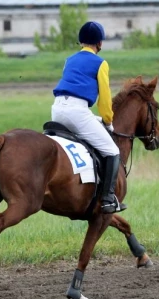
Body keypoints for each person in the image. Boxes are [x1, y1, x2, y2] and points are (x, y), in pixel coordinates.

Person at [51, 21, 126, 214]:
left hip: (57, 109)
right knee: (111, 150)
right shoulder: (101, 63)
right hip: (77, 112)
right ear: (99, 43)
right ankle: (108, 199)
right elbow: (105, 99)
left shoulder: (69, 60)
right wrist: (108, 121)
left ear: (81, 41)